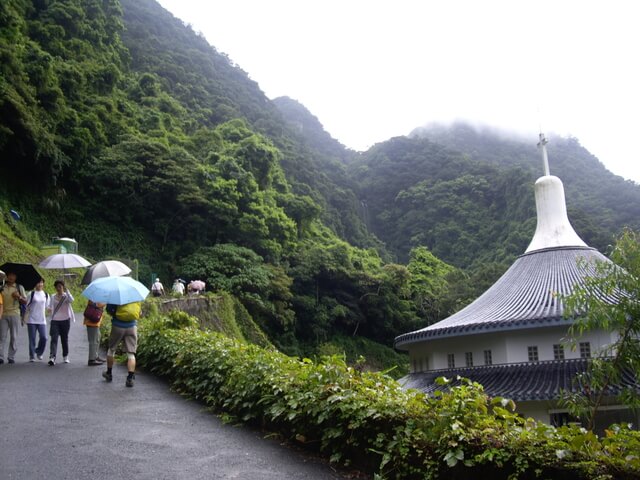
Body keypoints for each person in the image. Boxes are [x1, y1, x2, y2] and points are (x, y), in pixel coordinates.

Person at [103, 301, 141, 387]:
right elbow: (140, 313)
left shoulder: (116, 297)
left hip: (117, 326)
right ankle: (130, 378)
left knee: (111, 350)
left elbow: (109, 310)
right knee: (131, 354)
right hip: (132, 327)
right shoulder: (135, 298)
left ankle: (109, 373)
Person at [0, 271, 27, 364]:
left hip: (15, 313)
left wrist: (18, 296)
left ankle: (11, 356)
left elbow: (25, 301)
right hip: (3, 314)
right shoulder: (2, 287)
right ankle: (0, 356)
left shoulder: (19, 287)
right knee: (2, 336)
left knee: (14, 336)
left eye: (13, 275)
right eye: (9, 275)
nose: (11, 277)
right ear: (6, 276)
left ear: (16, 277)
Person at [23, 278, 50, 362]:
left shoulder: (46, 294)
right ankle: (32, 356)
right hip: (31, 319)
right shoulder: (31, 294)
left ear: (43, 284)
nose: (40, 284)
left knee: (44, 337)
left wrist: (49, 310)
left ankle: (39, 352)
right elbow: (26, 305)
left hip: (42, 320)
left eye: (41, 282)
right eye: (38, 283)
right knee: (32, 338)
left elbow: (47, 306)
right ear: (35, 284)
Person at [48, 279, 74, 366]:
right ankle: (52, 357)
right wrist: (49, 309)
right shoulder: (52, 296)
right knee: (54, 339)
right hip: (55, 320)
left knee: (64, 339)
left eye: (60, 286)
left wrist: (67, 292)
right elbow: (49, 305)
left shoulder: (66, 296)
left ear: (63, 287)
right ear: (55, 287)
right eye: (57, 287)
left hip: (65, 320)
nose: (59, 288)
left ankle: (65, 356)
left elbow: (71, 300)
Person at [83, 300, 106, 366]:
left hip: (95, 322)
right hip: (91, 321)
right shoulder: (93, 297)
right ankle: (91, 359)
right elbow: (98, 305)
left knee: (97, 338)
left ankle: (95, 356)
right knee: (93, 341)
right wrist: (106, 302)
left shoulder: (97, 296)